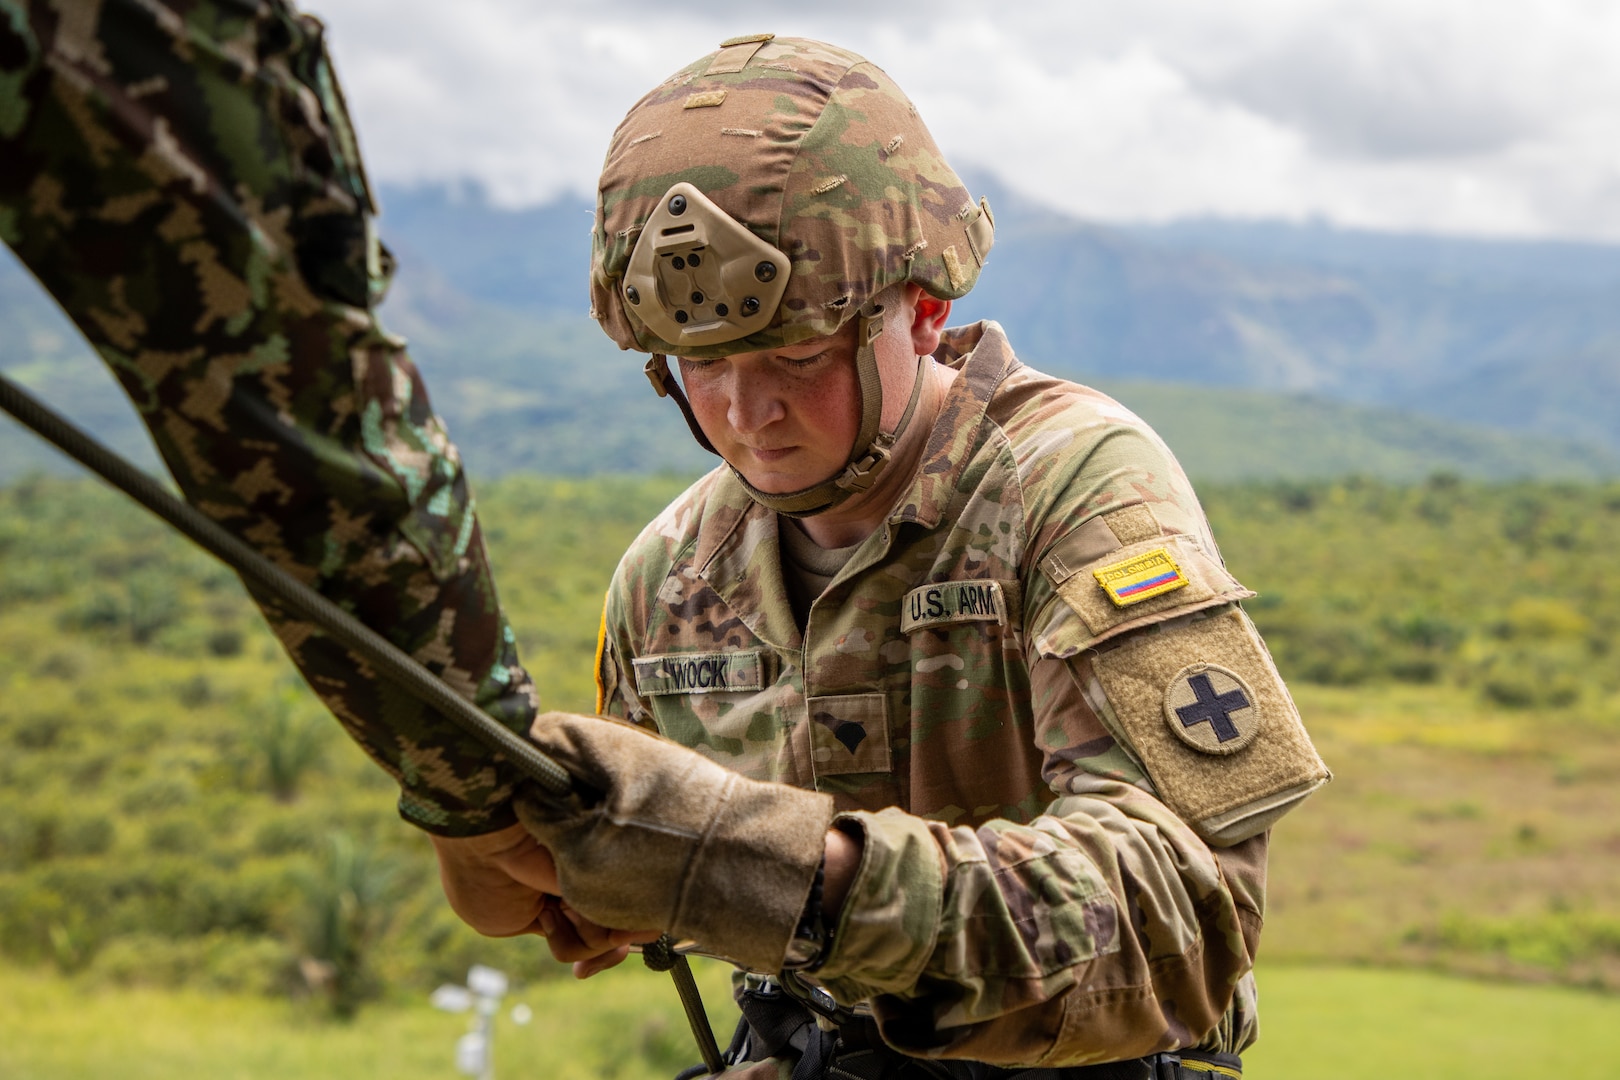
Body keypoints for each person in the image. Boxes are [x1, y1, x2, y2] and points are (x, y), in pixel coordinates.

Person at [474, 33, 1328, 1080]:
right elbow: (638, 885)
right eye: (700, 366)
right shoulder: (671, 574)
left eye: (796, 354)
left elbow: (1185, 918)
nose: (749, 415)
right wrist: (539, 854)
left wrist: (784, 873)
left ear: (925, 311)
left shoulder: (1071, 486)